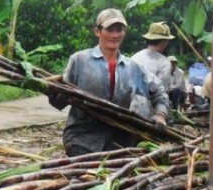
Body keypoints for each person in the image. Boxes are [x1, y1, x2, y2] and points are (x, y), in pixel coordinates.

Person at [49, 9, 170, 157]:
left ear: (124, 33)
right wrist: (53, 93)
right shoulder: (80, 61)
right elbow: (59, 102)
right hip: (83, 136)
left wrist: (160, 114)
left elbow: (158, 90)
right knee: (87, 170)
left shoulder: (132, 68)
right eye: (109, 29)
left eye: (119, 30)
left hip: (119, 138)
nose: (115, 35)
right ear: (97, 31)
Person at [130, 22, 174, 119]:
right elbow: (162, 92)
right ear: (164, 42)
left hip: (129, 107)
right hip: (148, 111)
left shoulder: (134, 57)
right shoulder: (164, 62)